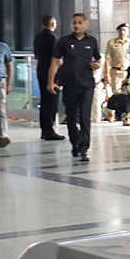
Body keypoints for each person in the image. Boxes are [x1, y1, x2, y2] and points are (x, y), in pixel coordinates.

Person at [47, 13, 102, 162]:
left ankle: (84, 148)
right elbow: (55, 61)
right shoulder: (64, 41)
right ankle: (75, 142)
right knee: (71, 116)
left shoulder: (92, 41)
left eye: (79, 23)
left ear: (86, 24)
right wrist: (51, 82)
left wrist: (97, 66)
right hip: (69, 84)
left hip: (87, 85)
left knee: (85, 116)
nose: (76, 25)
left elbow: (98, 59)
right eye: (74, 23)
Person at [33, 15, 64, 141]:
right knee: (52, 102)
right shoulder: (53, 39)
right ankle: (49, 130)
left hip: (40, 70)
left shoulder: (38, 37)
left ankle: (44, 129)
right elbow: (57, 59)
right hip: (52, 74)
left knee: (44, 101)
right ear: (52, 24)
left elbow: (36, 55)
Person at [103, 23, 130, 100]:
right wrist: (107, 74)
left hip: (128, 72)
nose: (122, 32)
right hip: (116, 72)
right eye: (120, 30)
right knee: (117, 94)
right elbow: (107, 59)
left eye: (124, 30)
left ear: (128, 31)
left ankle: (128, 112)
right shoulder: (112, 43)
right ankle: (117, 112)